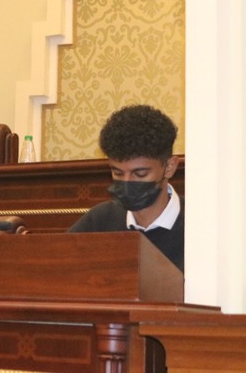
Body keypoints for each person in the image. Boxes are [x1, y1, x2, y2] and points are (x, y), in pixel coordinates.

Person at [68, 104, 184, 272]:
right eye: (118, 173)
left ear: (169, 167)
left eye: (140, 174)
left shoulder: (199, 223)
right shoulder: (99, 220)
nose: (127, 182)